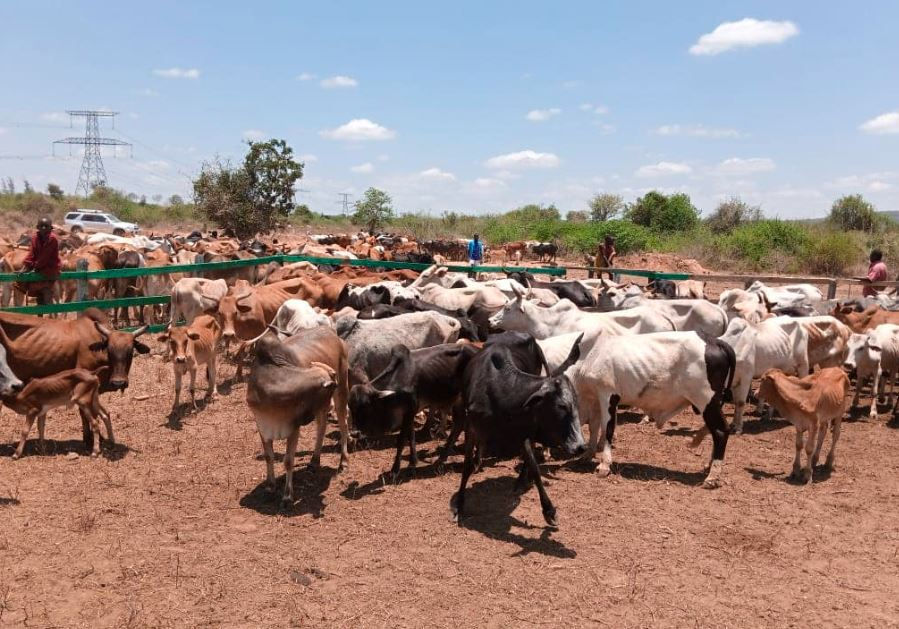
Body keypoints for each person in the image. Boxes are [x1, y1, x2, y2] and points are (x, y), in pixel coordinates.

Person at [18, 217, 61, 306]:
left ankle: (46, 295)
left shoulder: (52, 239)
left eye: (46, 226)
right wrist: (26, 265)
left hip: (50, 267)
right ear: (38, 227)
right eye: (42, 226)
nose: (44, 228)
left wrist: (35, 267)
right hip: (37, 265)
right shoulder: (35, 238)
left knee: (44, 286)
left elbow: (45, 256)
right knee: (20, 280)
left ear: (50, 228)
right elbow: (32, 253)